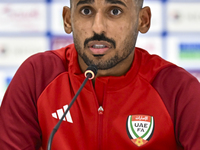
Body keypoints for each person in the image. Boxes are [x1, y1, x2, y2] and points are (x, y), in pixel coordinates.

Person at [0, 0, 200, 149]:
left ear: (143, 20)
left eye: (115, 11)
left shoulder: (178, 90)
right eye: (86, 11)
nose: (98, 28)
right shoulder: (38, 76)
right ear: (68, 20)